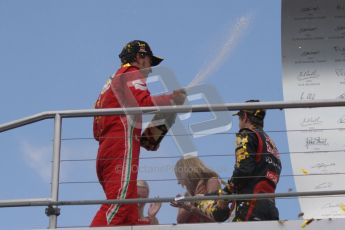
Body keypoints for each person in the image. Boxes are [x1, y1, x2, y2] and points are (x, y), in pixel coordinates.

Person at [91, 40, 186, 227]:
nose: (150, 70)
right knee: (120, 204)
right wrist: (172, 98)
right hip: (121, 148)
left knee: (128, 212)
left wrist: (164, 118)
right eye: (150, 62)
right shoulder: (130, 73)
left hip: (107, 151)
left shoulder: (112, 83)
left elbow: (98, 130)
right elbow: (144, 102)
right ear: (139, 57)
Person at [228, 99, 282, 221]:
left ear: (245, 117)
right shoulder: (272, 144)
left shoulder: (247, 134)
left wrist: (225, 193)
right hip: (271, 210)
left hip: (250, 208)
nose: (239, 124)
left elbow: (243, 170)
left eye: (239, 119)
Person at [170, 156, 229, 223]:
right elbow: (179, 220)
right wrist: (193, 201)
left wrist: (193, 206)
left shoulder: (212, 182)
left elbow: (215, 217)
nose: (179, 182)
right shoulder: (187, 194)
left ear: (186, 174)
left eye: (179, 177)